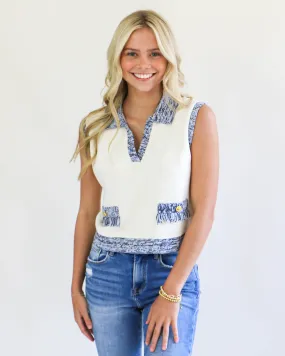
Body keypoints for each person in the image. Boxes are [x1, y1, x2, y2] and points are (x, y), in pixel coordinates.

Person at [70, 9, 219, 356]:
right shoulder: (94, 126)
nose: (143, 64)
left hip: (170, 270)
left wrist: (171, 291)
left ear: (168, 58)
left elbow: (205, 213)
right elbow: (87, 211)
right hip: (107, 272)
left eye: (155, 53)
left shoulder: (195, 118)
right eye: (132, 53)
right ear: (118, 58)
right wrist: (75, 285)